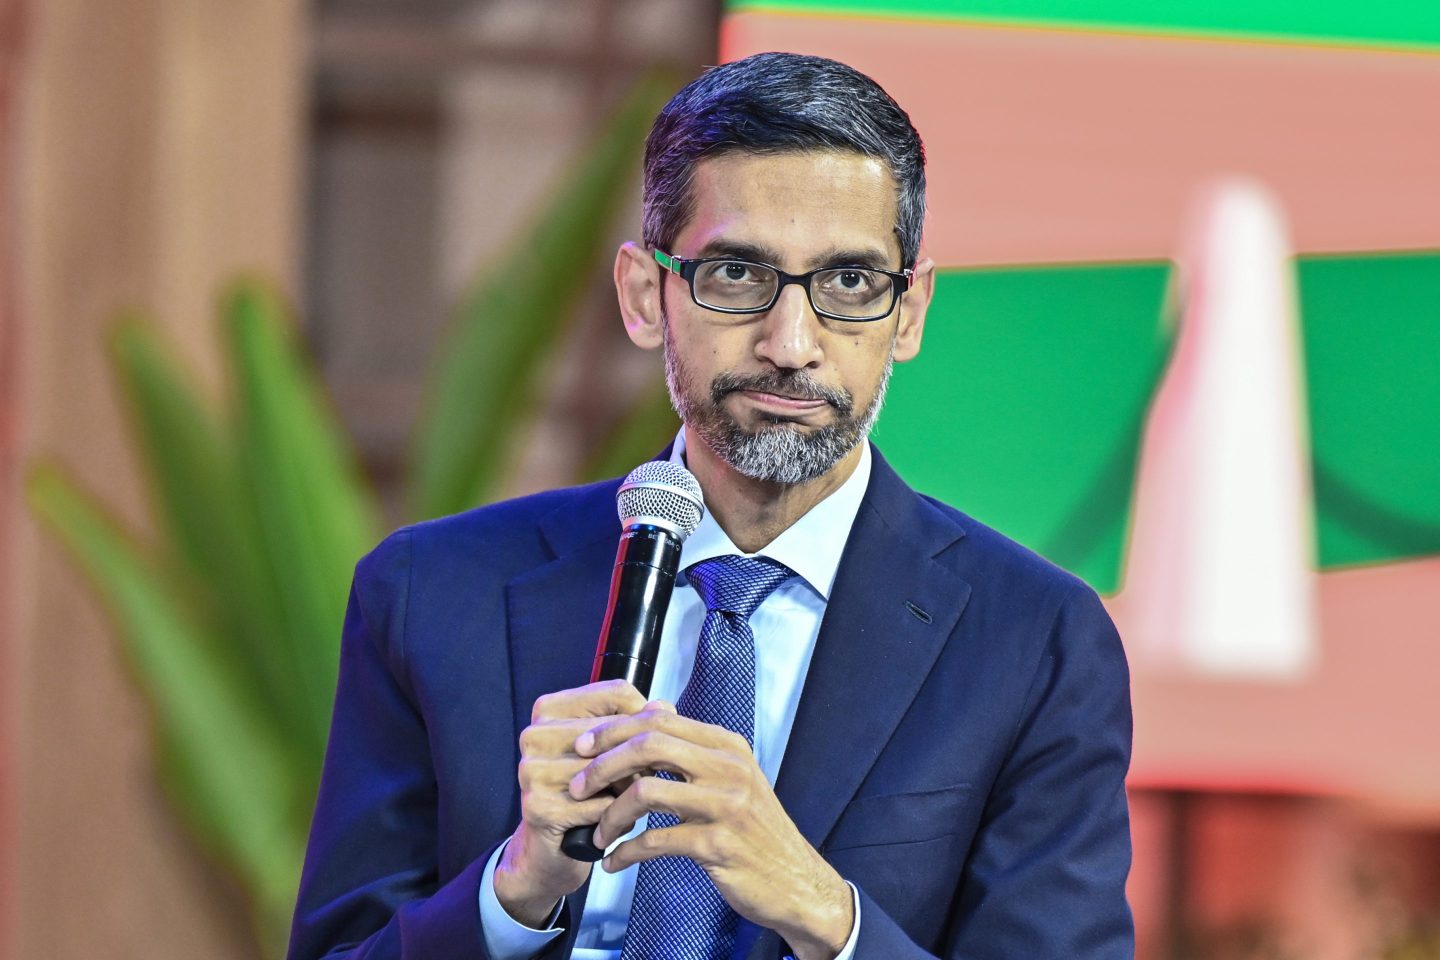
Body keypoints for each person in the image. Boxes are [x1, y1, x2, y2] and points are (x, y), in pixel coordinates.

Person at [287, 52, 1133, 960]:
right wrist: (516, 888)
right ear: (646, 295)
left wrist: (826, 914)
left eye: (850, 283)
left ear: (911, 310)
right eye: (737, 274)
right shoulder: (431, 594)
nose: (791, 344)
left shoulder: (1035, 641)